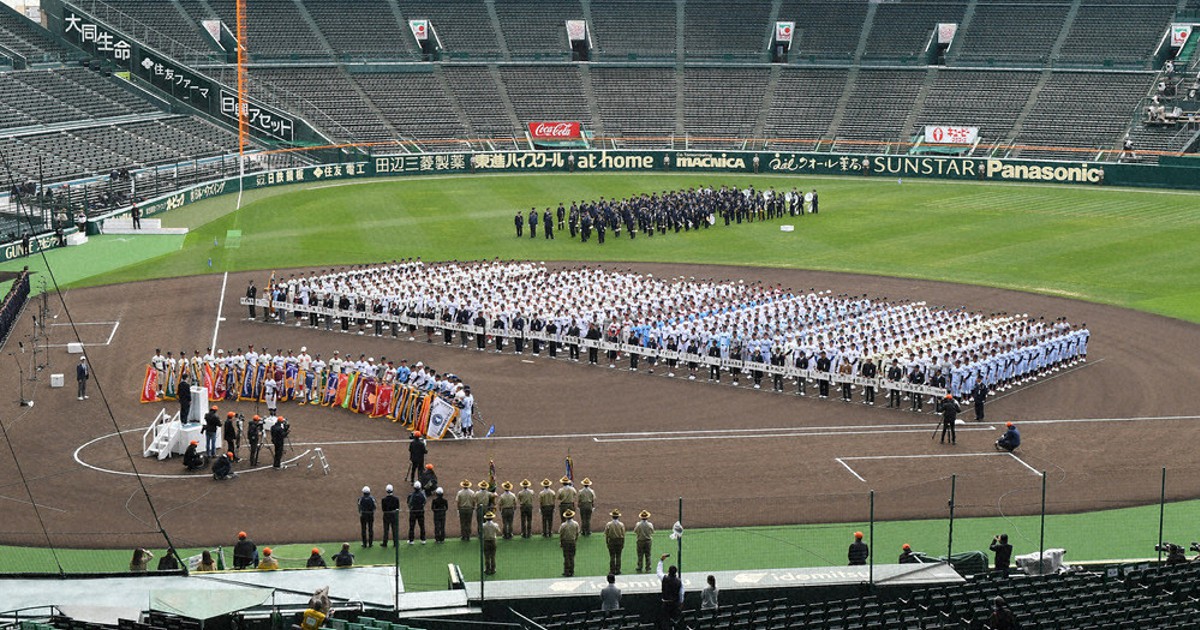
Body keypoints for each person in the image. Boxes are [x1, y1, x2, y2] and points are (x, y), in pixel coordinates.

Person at [656, 553, 683, 630]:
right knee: (674, 621)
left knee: (665, 621)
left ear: (668, 571)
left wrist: (661, 560)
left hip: (666, 604)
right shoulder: (679, 581)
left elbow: (659, 572)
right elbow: (681, 593)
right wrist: (681, 602)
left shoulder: (664, 578)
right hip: (675, 604)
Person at [559, 509, 581, 577]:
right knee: (572, 557)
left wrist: (561, 542)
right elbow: (577, 533)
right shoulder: (576, 524)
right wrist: (575, 540)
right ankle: (572, 571)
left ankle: (566, 571)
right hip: (572, 541)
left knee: (566, 557)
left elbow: (561, 535)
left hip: (566, 542)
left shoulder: (563, 525)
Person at [481, 511, 501, 575]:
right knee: (493, 556)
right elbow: (498, 531)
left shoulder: (483, 525)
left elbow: (481, 532)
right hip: (493, 541)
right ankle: (493, 569)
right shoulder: (495, 525)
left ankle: (487, 569)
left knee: (487, 556)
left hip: (486, 541)